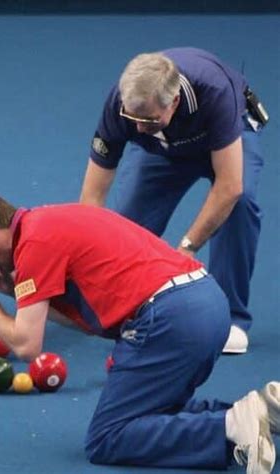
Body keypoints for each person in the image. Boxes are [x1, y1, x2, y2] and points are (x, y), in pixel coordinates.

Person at [0, 189, 278, 472]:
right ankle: (258, 412)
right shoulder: (48, 221)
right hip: (207, 303)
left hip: (170, 319)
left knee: (108, 437)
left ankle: (229, 427)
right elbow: (90, 322)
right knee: (152, 410)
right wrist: (15, 293)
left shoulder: (32, 246)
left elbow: (26, 346)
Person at [79, 48, 268, 354]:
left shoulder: (214, 92)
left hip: (224, 138)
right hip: (161, 148)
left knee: (241, 203)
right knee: (125, 229)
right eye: (133, 118)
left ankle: (231, 319)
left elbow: (229, 186)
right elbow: (92, 197)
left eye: (148, 119)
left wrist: (187, 246)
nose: (138, 126)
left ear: (174, 101)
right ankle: (123, 306)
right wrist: (83, 263)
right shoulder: (121, 104)